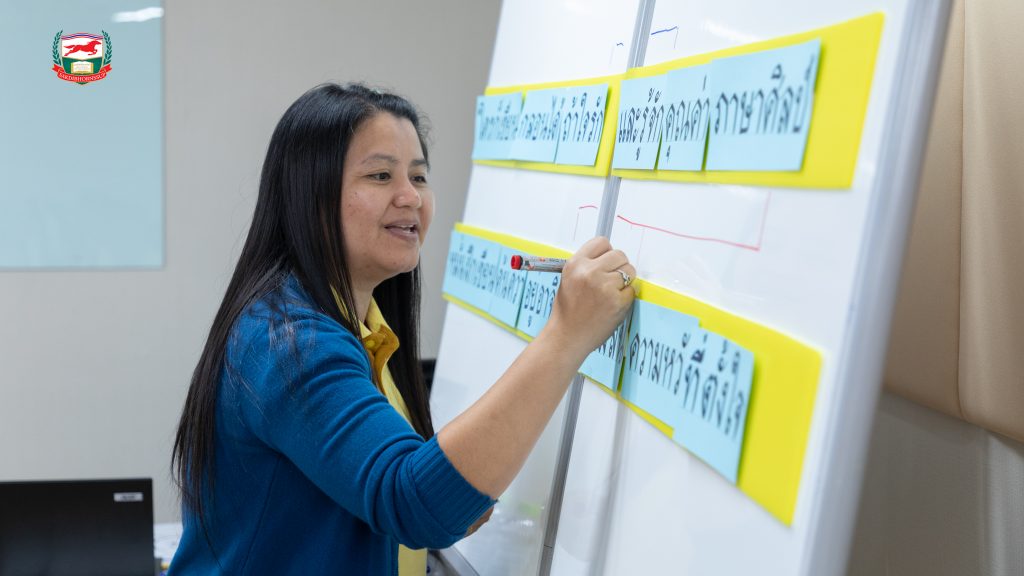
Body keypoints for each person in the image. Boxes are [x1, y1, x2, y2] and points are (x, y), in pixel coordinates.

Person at [169, 83, 635, 575]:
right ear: (310, 195)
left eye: (418, 176)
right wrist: (565, 336)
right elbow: (417, 504)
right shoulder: (289, 344)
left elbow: (424, 496)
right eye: (380, 175)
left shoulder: (366, 329)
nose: (411, 196)